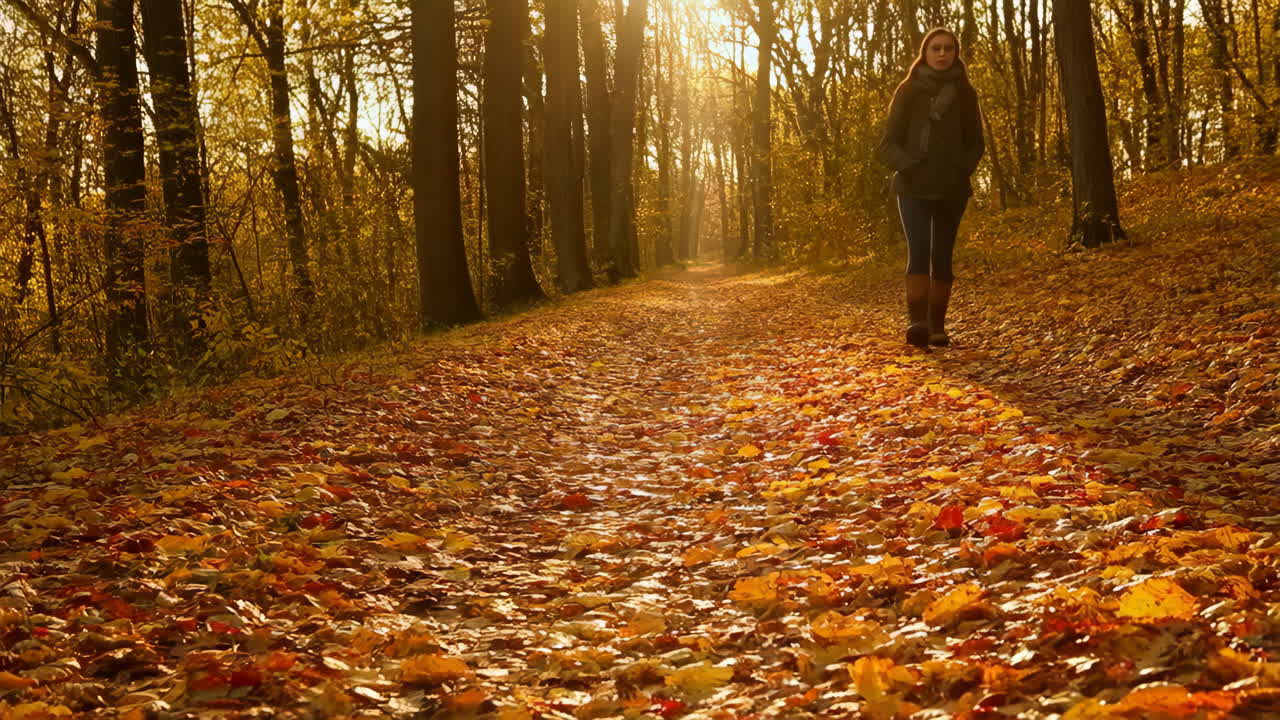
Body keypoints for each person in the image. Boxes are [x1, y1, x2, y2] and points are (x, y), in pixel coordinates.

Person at [877, 27, 985, 347]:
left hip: (952, 189)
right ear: (924, 53)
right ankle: (918, 325)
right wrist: (911, 165)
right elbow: (887, 145)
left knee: (942, 257)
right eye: (936, 48)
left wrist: (959, 168)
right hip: (912, 188)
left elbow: (976, 143)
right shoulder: (908, 91)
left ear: (955, 54)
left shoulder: (966, 93)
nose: (942, 54)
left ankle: (938, 327)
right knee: (919, 252)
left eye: (948, 49)